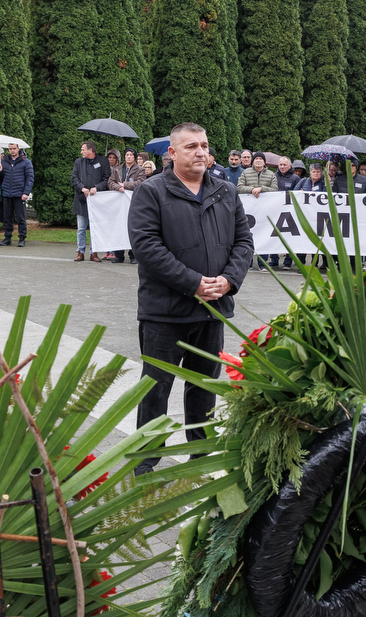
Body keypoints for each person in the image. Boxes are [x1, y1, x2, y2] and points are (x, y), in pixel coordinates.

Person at [127, 122, 253, 475]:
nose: (200, 152)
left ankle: (201, 454)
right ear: (172, 153)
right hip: (165, 312)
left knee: (204, 387)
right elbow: (147, 247)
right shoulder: (151, 191)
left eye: (204, 145)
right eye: (191, 146)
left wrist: (228, 281)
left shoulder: (226, 191)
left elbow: (244, 242)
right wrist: (193, 283)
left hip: (212, 310)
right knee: (155, 388)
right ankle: (145, 461)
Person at [71, 141, 110, 262]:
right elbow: (74, 178)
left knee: (95, 228)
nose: (81, 152)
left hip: (97, 200)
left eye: (83, 149)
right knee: (81, 228)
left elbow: (107, 179)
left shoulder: (103, 162)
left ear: (90, 150)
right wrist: (82, 188)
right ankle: (80, 252)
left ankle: (94, 252)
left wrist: (97, 188)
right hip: (82, 200)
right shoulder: (78, 162)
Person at [238, 152, 277, 270]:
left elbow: (275, 189)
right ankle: (248, 263)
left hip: (265, 210)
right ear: (253, 161)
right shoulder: (245, 173)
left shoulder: (271, 174)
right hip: (249, 211)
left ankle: (263, 263)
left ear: (264, 162)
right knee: (248, 235)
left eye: (261, 159)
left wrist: (262, 189)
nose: (258, 161)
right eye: (256, 159)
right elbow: (239, 187)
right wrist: (252, 189)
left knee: (264, 235)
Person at [109, 146, 146, 263]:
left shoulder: (140, 170)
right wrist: (118, 187)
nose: (128, 157)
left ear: (134, 157)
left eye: (131, 155)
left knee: (132, 226)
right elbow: (110, 182)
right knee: (119, 226)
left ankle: (133, 255)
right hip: (119, 203)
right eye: (127, 155)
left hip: (133, 201)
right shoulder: (117, 169)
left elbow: (140, 183)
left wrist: (125, 185)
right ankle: (118, 255)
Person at [0, 142, 33, 247]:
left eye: (14, 148)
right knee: (7, 218)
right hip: (7, 194)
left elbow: (30, 178)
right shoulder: (4, 162)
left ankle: (22, 238)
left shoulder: (26, 162)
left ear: (18, 149)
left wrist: (26, 192)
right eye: (10, 149)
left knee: (21, 218)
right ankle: (7, 237)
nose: (12, 150)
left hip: (19, 194)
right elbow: (0, 178)